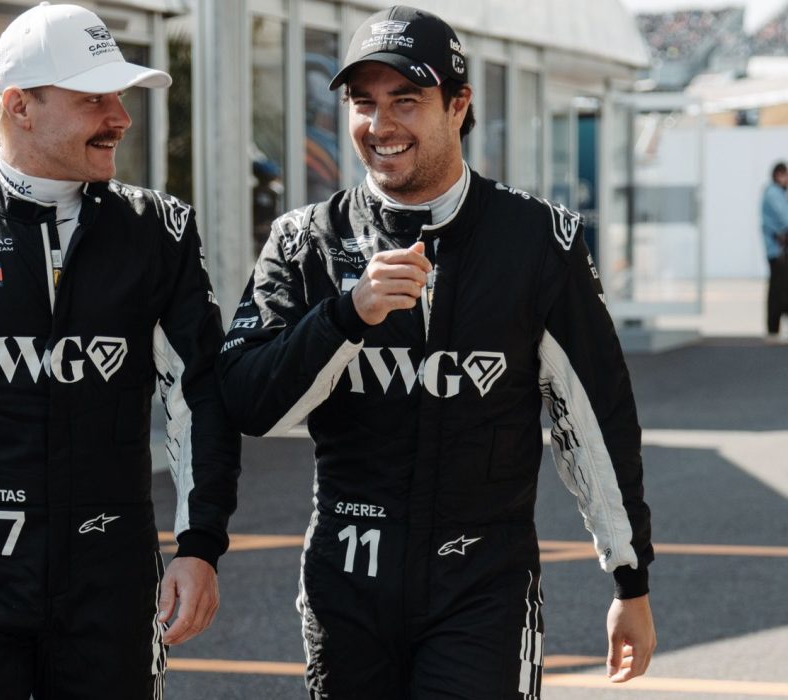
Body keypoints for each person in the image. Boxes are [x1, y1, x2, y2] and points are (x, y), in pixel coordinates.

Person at [217, 6, 656, 698]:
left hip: (482, 589)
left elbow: (596, 420)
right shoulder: (304, 239)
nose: (380, 125)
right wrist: (347, 315)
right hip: (345, 586)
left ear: (458, 106)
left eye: (406, 101)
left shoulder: (540, 239)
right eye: (363, 102)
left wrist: (630, 578)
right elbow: (247, 401)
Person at [0, 3, 240, 698]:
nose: (120, 117)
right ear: (20, 106)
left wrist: (199, 546)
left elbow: (199, 394)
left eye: (120, 97)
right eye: (93, 99)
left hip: (112, 582)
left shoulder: (160, 230)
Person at [761, 161, 788, 342]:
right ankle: (773, 330)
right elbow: (785, 218)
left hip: (778, 250)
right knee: (779, 290)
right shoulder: (774, 193)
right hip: (778, 251)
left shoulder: (774, 193)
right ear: (779, 175)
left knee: (778, 289)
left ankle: (773, 330)